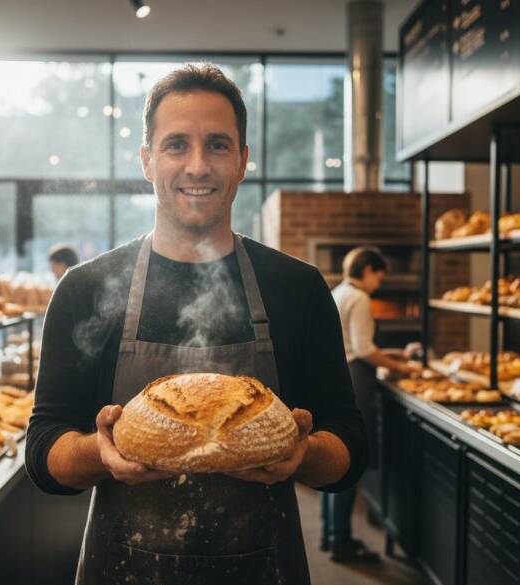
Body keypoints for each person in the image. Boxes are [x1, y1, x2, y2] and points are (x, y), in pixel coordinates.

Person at [26, 64, 367, 585]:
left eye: (218, 145)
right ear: (147, 160)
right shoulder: (86, 288)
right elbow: (44, 452)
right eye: (176, 145)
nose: (198, 165)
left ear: (244, 161)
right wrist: (101, 452)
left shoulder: (297, 287)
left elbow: (349, 448)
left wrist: (302, 454)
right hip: (123, 570)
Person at [320, 246, 418, 563]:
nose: (379, 283)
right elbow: (362, 349)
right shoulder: (361, 298)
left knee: (329, 457)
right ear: (368, 271)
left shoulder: (339, 292)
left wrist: (394, 354)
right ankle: (343, 541)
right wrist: (404, 367)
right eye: (379, 275)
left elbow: (352, 343)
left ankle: (330, 533)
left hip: (335, 374)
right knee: (349, 456)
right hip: (356, 378)